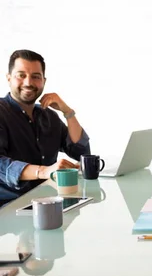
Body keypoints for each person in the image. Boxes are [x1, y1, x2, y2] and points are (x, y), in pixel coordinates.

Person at [0, 50, 90, 206]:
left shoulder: (49, 116)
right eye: (21, 75)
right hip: (10, 206)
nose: (28, 82)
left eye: (36, 76)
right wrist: (44, 171)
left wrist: (67, 112)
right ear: (9, 78)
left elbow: (81, 152)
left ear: (43, 81)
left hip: (49, 200)